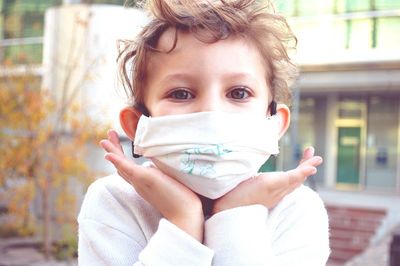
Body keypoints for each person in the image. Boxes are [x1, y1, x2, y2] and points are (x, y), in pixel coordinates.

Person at [77, 0, 330, 265]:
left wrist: (236, 215)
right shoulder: (115, 201)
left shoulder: (297, 209)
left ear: (274, 123)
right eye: (181, 93)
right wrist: (182, 222)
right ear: (138, 124)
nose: (211, 112)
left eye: (239, 93)